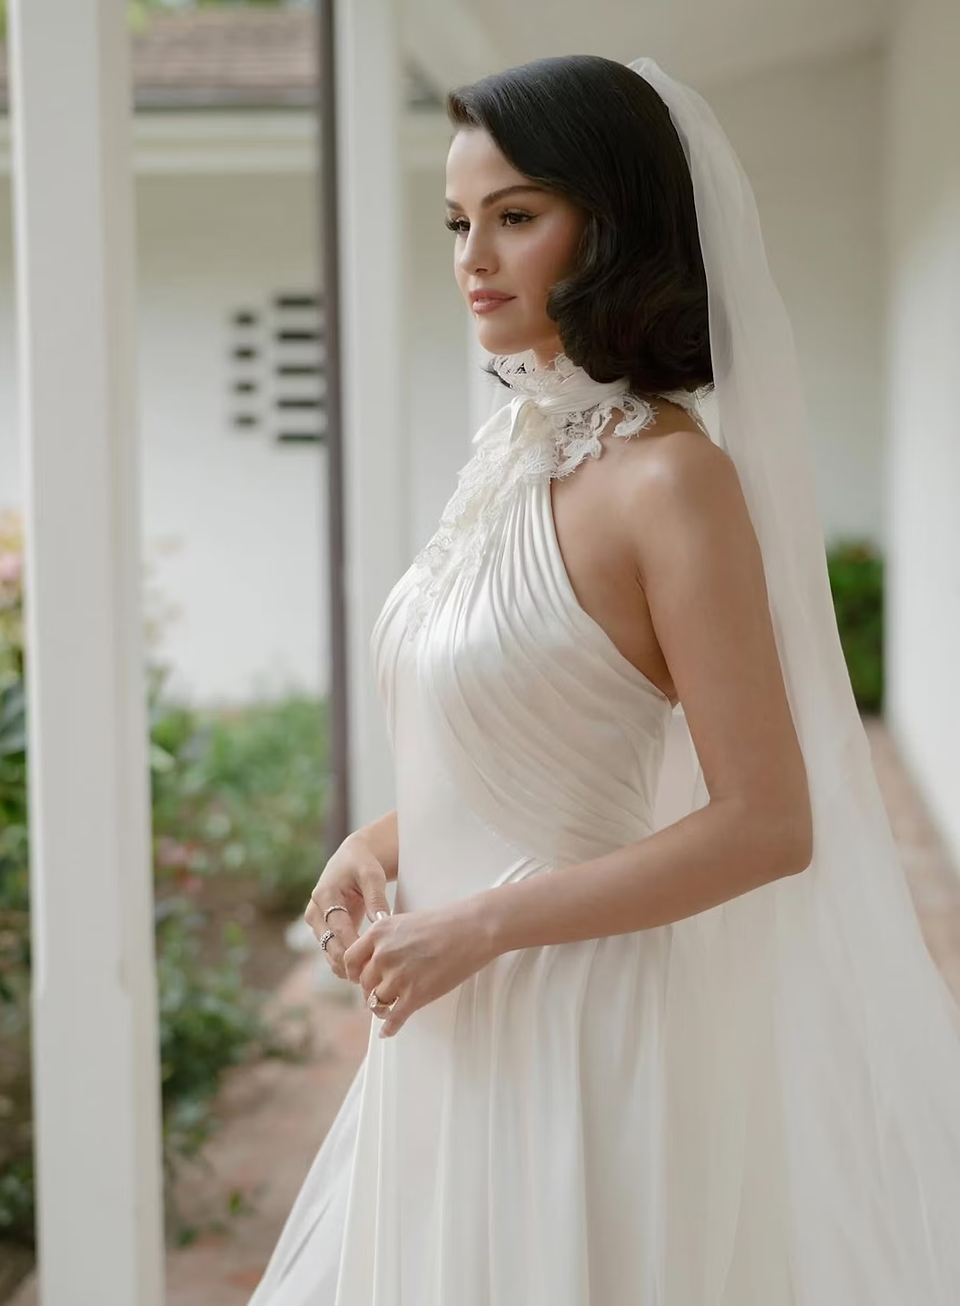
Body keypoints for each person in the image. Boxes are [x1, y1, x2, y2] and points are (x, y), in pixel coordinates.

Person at [248, 55, 960, 1306]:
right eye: (459, 221)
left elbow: (767, 822)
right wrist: (377, 843)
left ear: (616, 225)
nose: (474, 254)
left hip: (578, 1028)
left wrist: (480, 923)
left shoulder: (670, 482)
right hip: (441, 1019)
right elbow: (526, 747)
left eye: (517, 215)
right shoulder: (512, 453)